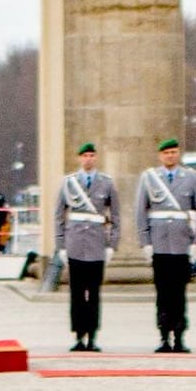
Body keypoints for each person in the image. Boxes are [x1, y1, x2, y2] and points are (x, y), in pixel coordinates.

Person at [137, 138, 196, 352]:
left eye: (174, 152)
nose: (170, 156)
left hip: (181, 243)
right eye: (166, 153)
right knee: (163, 293)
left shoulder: (191, 177)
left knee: (179, 293)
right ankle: (164, 335)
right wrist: (145, 242)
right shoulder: (149, 178)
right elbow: (141, 212)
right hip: (159, 244)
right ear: (160, 156)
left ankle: (179, 336)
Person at [55, 141, 119, 352]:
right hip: (75, 244)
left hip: (96, 245)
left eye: (92, 155)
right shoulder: (68, 182)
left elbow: (115, 216)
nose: (88, 159)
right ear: (79, 158)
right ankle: (79, 335)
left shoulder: (107, 183)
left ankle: (92, 335)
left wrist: (112, 245)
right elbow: (59, 216)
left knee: (93, 293)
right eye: (85, 156)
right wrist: (61, 245)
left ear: (96, 158)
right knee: (76, 293)